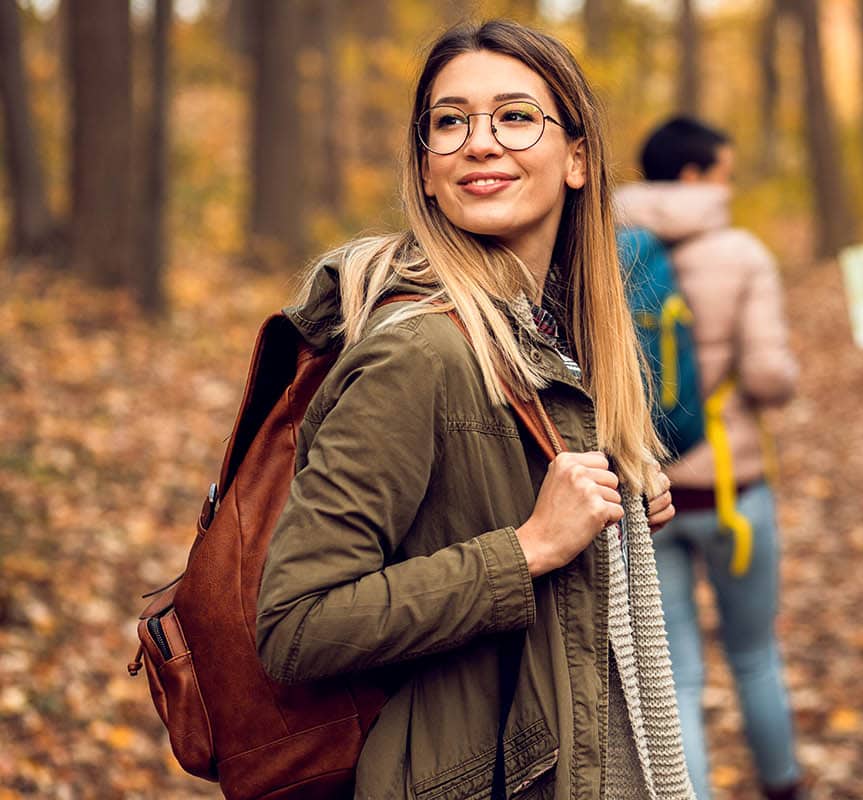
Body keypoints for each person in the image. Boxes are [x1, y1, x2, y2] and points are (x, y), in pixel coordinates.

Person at [254, 21, 697, 800]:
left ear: (578, 159)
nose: (479, 143)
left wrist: (620, 490)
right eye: (450, 121)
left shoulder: (553, 340)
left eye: (517, 116)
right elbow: (296, 625)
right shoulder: (417, 353)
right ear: (426, 171)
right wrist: (526, 548)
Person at [615, 117, 804, 800]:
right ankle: (782, 786)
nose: (729, 181)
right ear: (694, 175)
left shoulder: (605, 251)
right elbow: (768, 381)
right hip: (733, 490)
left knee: (679, 678)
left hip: (646, 497)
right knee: (755, 655)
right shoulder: (742, 253)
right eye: (723, 169)